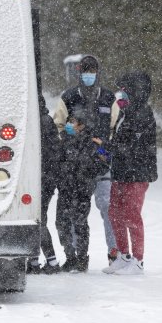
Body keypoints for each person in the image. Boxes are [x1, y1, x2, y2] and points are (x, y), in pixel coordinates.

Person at [52, 55, 118, 265]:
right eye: (85, 71)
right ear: (79, 73)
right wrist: (66, 135)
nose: (89, 75)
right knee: (74, 211)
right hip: (77, 163)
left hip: (101, 160)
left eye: (92, 71)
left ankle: (114, 253)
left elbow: (116, 129)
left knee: (107, 206)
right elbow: (57, 125)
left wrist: (105, 147)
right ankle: (75, 256)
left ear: (98, 73)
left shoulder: (108, 98)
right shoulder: (69, 97)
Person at [103, 71, 158, 276]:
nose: (121, 95)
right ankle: (123, 255)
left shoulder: (143, 114)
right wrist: (102, 149)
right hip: (121, 172)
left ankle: (138, 261)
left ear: (136, 91)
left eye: (125, 91)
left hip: (137, 174)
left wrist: (109, 149)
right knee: (114, 212)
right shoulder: (125, 114)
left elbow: (131, 147)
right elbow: (118, 143)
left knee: (131, 215)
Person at [53, 109, 111, 272]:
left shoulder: (94, 143)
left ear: (82, 125)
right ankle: (70, 257)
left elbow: (105, 162)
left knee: (80, 224)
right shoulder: (64, 140)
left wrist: (88, 172)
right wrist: (61, 173)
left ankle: (82, 259)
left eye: (74, 122)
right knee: (61, 223)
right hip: (65, 188)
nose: (70, 124)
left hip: (82, 190)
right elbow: (56, 161)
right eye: (69, 121)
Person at [29, 92, 67, 274]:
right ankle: (36, 261)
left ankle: (50, 262)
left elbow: (44, 154)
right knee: (38, 219)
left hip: (41, 179)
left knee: (38, 220)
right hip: (47, 178)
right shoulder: (45, 120)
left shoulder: (38, 122)